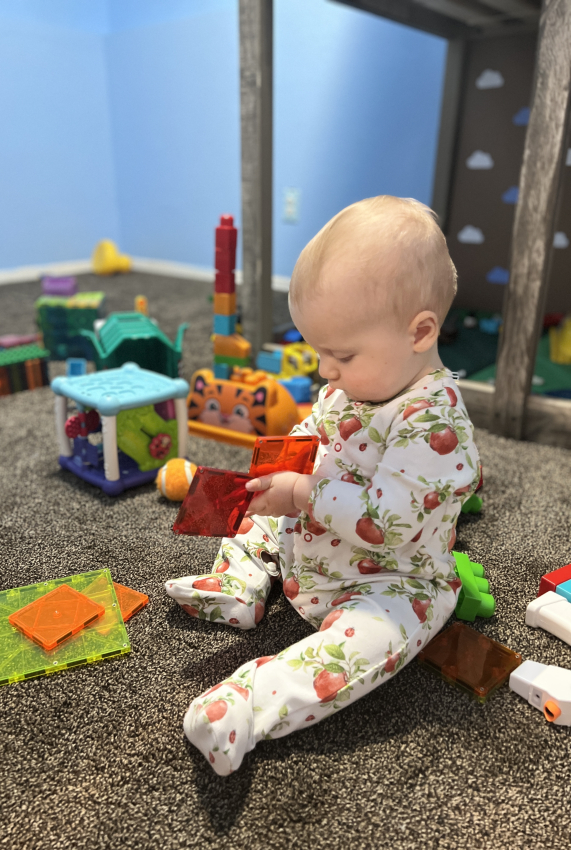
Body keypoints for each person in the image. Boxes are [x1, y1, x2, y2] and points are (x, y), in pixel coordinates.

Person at [166, 196, 480, 776]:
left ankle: (250, 704)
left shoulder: (435, 421)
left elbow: (390, 522)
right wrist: (284, 471)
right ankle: (240, 585)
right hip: (310, 542)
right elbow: (318, 428)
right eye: (317, 352)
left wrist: (303, 493)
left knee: (367, 643)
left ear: (420, 332)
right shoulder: (351, 384)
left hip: (390, 578)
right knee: (256, 512)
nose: (323, 371)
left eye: (339, 354)